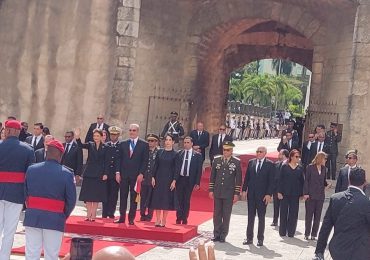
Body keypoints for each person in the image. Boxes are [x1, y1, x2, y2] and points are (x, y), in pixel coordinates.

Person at [24, 139, 76, 260]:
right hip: (55, 218)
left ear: (47, 152)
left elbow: (25, 193)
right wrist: (63, 214)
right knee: (51, 254)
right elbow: (71, 200)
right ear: (61, 155)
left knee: (31, 252)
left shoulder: (31, 169)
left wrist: (32, 208)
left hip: (33, 216)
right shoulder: (67, 173)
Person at [314, 168, 370, 260]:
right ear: (364, 182)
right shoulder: (366, 203)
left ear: (349, 180)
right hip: (360, 252)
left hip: (338, 249)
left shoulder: (335, 198)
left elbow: (326, 227)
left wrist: (319, 251)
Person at [0, 120, 35, 259]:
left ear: (7, 130)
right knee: (10, 230)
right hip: (16, 194)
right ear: (18, 131)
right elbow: (30, 175)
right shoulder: (27, 149)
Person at [115, 124, 149, 225]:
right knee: (122, 197)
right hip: (124, 175)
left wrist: (141, 173)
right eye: (130, 130)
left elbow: (145, 160)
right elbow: (118, 159)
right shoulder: (123, 144)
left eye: (134, 130)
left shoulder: (144, 144)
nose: (131, 132)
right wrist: (117, 173)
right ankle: (122, 217)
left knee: (134, 198)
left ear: (137, 131)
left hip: (136, 176)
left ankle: (131, 218)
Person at [209, 141, 241, 243]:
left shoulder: (236, 162)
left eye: (227, 150)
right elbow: (212, 176)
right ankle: (216, 234)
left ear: (231, 151)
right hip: (218, 191)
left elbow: (238, 179)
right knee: (217, 214)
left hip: (229, 192)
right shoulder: (217, 160)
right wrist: (211, 190)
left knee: (226, 214)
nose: (225, 152)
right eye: (224, 150)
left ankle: (223, 235)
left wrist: (236, 193)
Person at [242, 146, 274, 246]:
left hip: (262, 196)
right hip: (251, 195)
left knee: (261, 217)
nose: (258, 153)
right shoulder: (252, 162)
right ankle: (249, 238)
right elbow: (247, 177)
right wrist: (244, 190)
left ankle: (260, 239)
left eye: (260, 152)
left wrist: (269, 194)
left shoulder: (269, 164)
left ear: (265, 153)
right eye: (257, 151)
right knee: (250, 217)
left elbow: (271, 181)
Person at [75, 128, 108, 221]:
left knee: (96, 196)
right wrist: (77, 137)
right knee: (88, 196)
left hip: (99, 174)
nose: (96, 137)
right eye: (94, 136)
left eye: (98, 136)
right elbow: (80, 145)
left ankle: (93, 215)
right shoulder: (90, 144)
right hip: (89, 173)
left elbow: (107, 161)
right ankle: (88, 215)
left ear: (102, 137)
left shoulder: (105, 147)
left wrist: (105, 173)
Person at [150, 134, 179, 227]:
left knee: (166, 200)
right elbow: (156, 165)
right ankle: (157, 219)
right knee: (157, 199)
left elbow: (176, 169)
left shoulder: (176, 154)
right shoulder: (160, 152)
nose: (167, 141)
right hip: (159, 178)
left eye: (170, 140)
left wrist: (174, 180)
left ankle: (164, 220)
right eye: (166, 140)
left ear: (173, 142)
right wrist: (153, 177)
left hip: (169, 179)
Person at [176, 136, 203, 224]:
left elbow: (199, 170)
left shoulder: (197, 155)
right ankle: (178, 217)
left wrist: (197, 182)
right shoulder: (179, 153)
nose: (186, 144)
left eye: (188, 142)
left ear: (192, 144)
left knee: (186, 200)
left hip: (189, 180)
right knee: (179, 199)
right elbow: (176, 168)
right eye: (185, 142)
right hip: (180, 179)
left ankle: (184, 217)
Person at [277, 149, 304, 237]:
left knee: (293, 213)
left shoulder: (300, 168)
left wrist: (302, 194)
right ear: (291, 157)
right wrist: (279, 192)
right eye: (296, 156)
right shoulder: (284, 166)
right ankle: (282, 231)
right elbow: (280, 180)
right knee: (284, 212)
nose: (298, 158)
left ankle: (291, 232)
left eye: (299, 156)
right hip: (284, 193)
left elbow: (302, 182)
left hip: (295, 194)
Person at [303, 152, 328, 240]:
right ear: (320, 158)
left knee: (317, 216)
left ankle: (314, 234)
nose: (326, 161)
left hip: (320, 196)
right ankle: (307, 233)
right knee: (309, 216)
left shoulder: (324, 168)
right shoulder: (310, 167)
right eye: (325, 159)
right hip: (310, 195)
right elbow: (306, 181)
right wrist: (305, 193)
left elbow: (324, 180)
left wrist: (327, 185)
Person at [102, 126, 122, 219]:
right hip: (107, 174)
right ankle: (104, 213)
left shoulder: (121, 146)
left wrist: (119, 173)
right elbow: (104, 161)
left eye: (115, 134)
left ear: (118, 135)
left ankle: (111, 212)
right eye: (111, 134)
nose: (113, 136)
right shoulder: (106, 145)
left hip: (115, 175)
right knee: (105, 194)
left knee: (114, 195)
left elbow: (121, 161)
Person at [140, 133, 159, 222]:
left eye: (152, 141)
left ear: (156, 142)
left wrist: (155, 177)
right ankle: (142, 214)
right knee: (143, 197)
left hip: (153, 178)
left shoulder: (159, 152)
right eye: (149, 141)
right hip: (144, 177)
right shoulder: (144, 151)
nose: (150, 143)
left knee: (151, 197)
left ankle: (149, 216)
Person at [271, 149, 289, 227]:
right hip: (276, 189)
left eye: (280, 154)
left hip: (285, 190)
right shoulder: (276, 164)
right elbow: (274, 176)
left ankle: (284, 221)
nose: (279, 155)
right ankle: (275, 220)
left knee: (284, 207)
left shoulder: (290, 164)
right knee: (276, 205)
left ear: (284, 155)